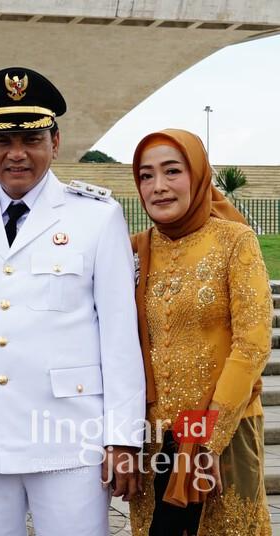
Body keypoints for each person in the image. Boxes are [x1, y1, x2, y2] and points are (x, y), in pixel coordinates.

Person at [0, 67, 146, 536]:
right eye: (3, 140)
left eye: (31, 138)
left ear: (56, 142)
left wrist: (123, 438)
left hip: (71, 439)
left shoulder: (96, 217)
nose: (17, 153)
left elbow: (119, 337)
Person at [128, 128, 272, 535]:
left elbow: (253, 344)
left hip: (222, 435)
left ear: (197, 174)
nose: (158, 187)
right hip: (154, 440)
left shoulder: (234, 241)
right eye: (145, 175)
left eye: (172, 171)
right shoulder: (135, 250)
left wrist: (205, 435)